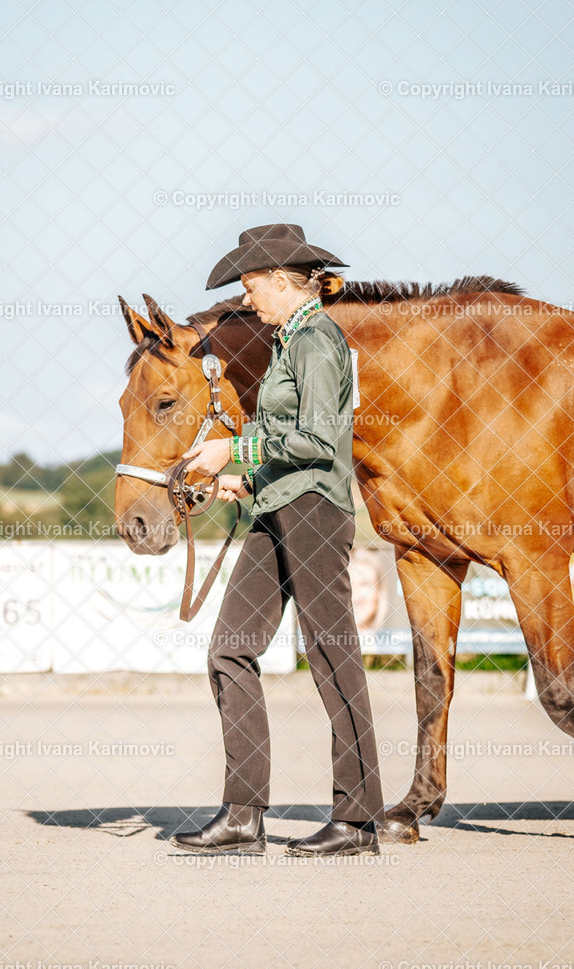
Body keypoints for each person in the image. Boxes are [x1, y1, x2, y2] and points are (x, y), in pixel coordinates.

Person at [170, 224, 385, 857]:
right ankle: (243, 813)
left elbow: (318, 442)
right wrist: (241, 479)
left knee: (331, 654)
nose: (245, 294)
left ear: (279, 279)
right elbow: (288, 443)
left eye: (249, 282)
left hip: (316, 512)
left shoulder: (317, 341)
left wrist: (231, 448)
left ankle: (356, 818)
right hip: (276, 504)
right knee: (230, 648)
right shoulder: (290, 341)